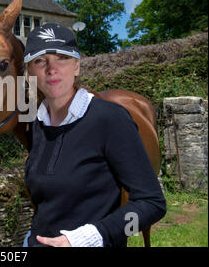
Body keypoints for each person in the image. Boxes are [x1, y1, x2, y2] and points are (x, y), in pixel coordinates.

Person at [22, 23, 166, 247]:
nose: (51, 69)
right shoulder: (37, 124)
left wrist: (91, 237)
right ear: (30, 72)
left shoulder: (110, 118)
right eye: (40, 61)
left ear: (77, 66)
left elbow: (153, 204)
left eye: (62, 58)